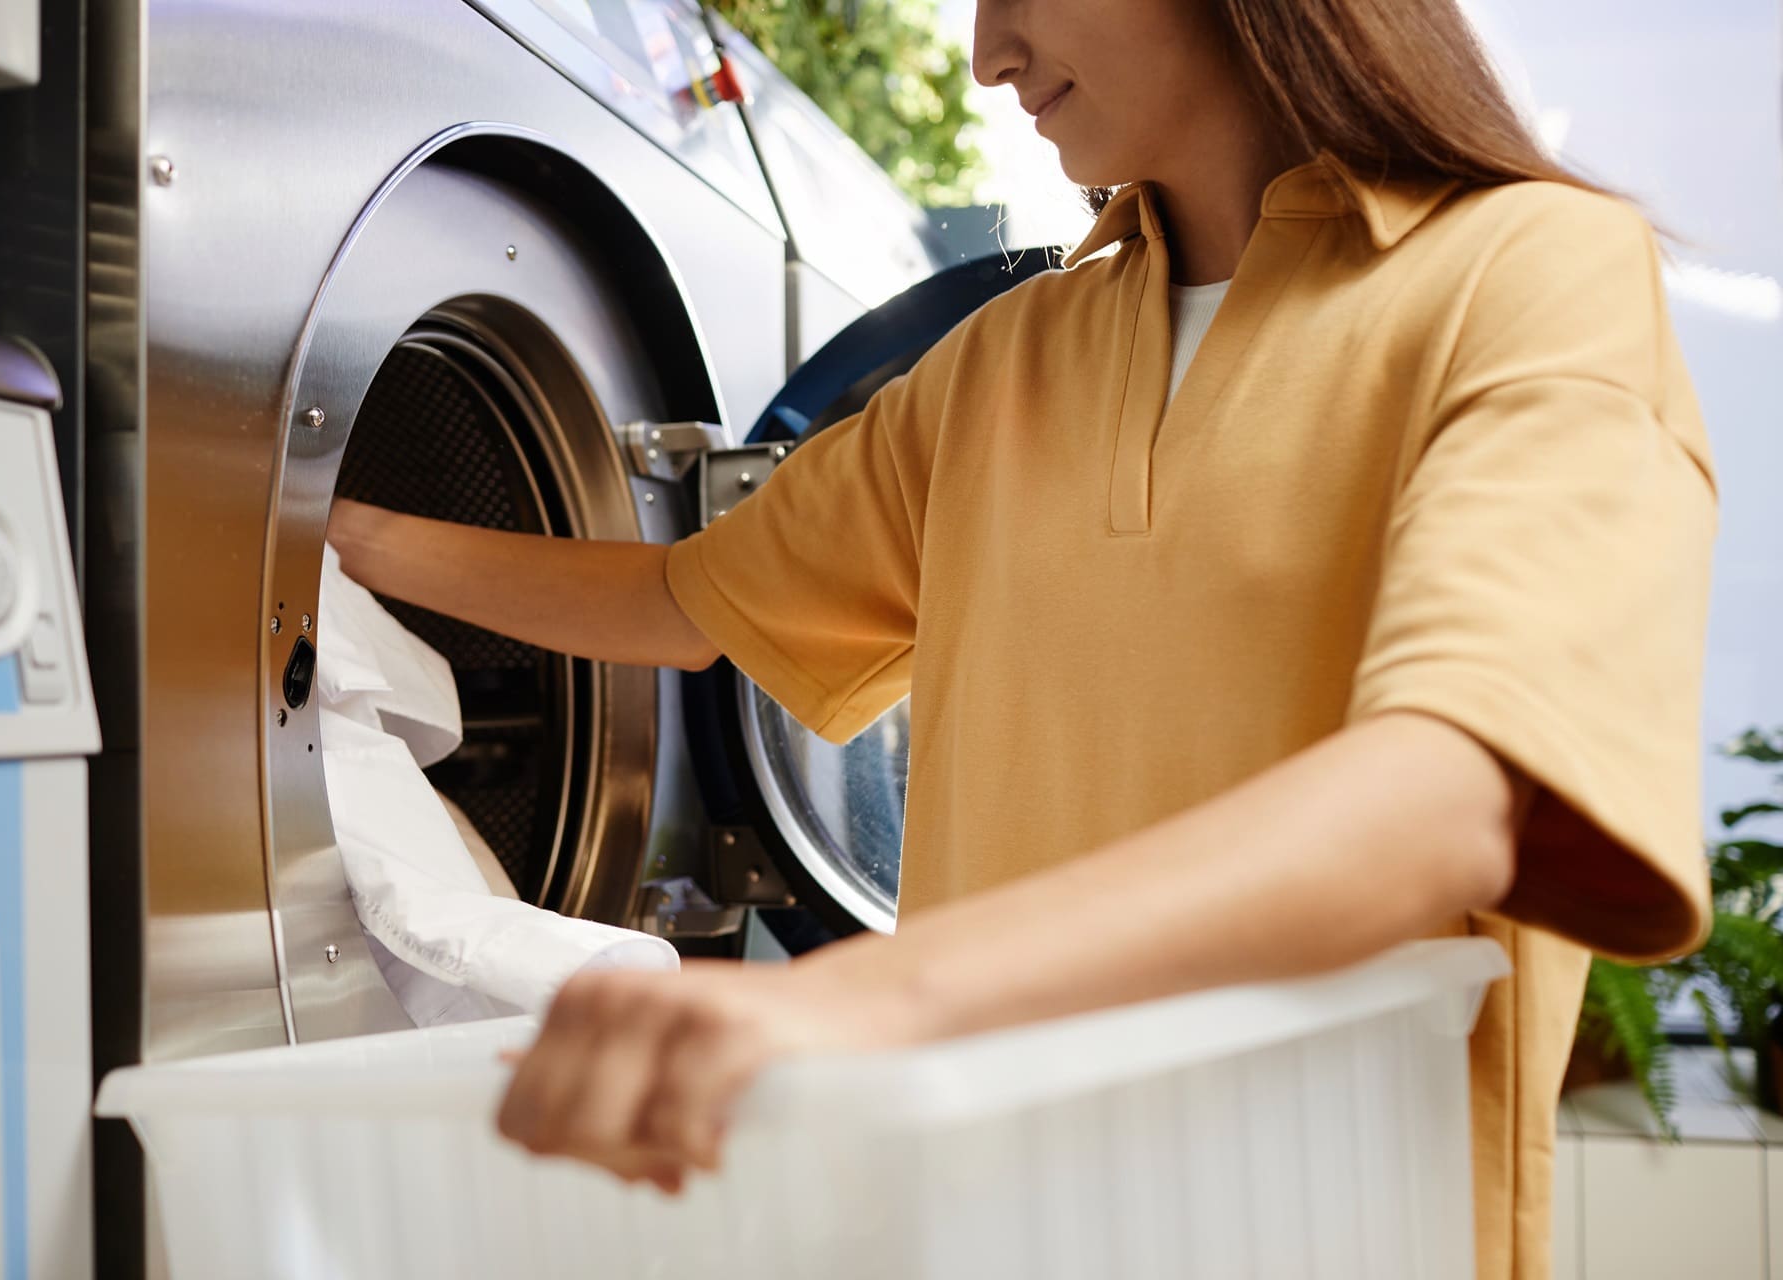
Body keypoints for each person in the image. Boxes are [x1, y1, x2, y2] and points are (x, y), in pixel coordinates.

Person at [327, 0, 1718, 1272]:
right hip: (998, 1221)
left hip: (1335, 1222)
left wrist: (860, 1003)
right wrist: (317, 538)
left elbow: (1448, 801)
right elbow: (688, 606)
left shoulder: (1528, 274)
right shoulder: (1009, 361)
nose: (989, 51)